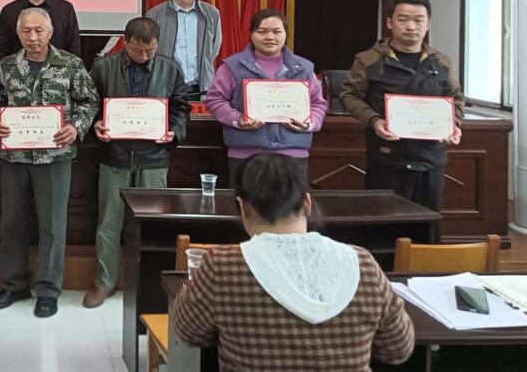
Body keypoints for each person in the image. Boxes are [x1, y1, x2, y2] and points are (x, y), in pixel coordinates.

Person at [173, 154, 415, 370]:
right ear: (307, 204)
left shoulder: (222, 266)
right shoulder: (362, 263)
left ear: (242, 208)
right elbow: (398, 348)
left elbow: (188, 332)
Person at [0, 8, 99, 318]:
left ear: (50, 33)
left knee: (52, 226)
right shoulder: (7, 66)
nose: (32, 37)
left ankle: (48, 290)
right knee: (11, 223)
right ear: (18, 33)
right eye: (26, 31)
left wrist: (75, 127)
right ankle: (13, 285)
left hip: (55, 156)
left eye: (39, 30)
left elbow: (90, 101)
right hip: (15, 156)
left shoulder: (71, 64)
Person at [82, 17, 190, 308]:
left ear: (157, 45)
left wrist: (175, 131)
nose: (143, 56)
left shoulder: (170, 68)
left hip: (154, 158)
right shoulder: (103, 66)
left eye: (150, 51)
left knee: (153, 223)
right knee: (109, 223)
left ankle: (150, 283)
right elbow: (89, 103)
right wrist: (96, 123)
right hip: (115, 156)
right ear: (125, 41)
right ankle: (105, 282)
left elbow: (181, 107)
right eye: (137, 50)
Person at [340, 0, 463, 212]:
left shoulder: (441, 62)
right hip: (387, 156)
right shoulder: (368, 59)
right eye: (403, 19)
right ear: (389, 22)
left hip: (430, 157)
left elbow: (455, 98)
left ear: (428, 24)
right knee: (384, 220)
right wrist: (374, 120)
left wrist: (454, 124)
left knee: (427, 220)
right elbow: (349, 95)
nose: (411, 26)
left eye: (418, 20)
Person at [205, 8, 328, 189]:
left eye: (277, 32)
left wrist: (309, 123)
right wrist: (238, 119)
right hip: (246, 154)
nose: (270, 37)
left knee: (291, 205)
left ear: (286, 34)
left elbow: (318, 103)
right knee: (246, 204)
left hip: (293, 154)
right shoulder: (232, 66)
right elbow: (215, 99)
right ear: (251, 34)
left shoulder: (304, 67)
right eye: (262, 31)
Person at [145, 0, 221, 96]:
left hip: (202, 87)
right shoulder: (155, 14)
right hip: (165, 87)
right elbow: (149, 51)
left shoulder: (211, 13)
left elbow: (214, 48)